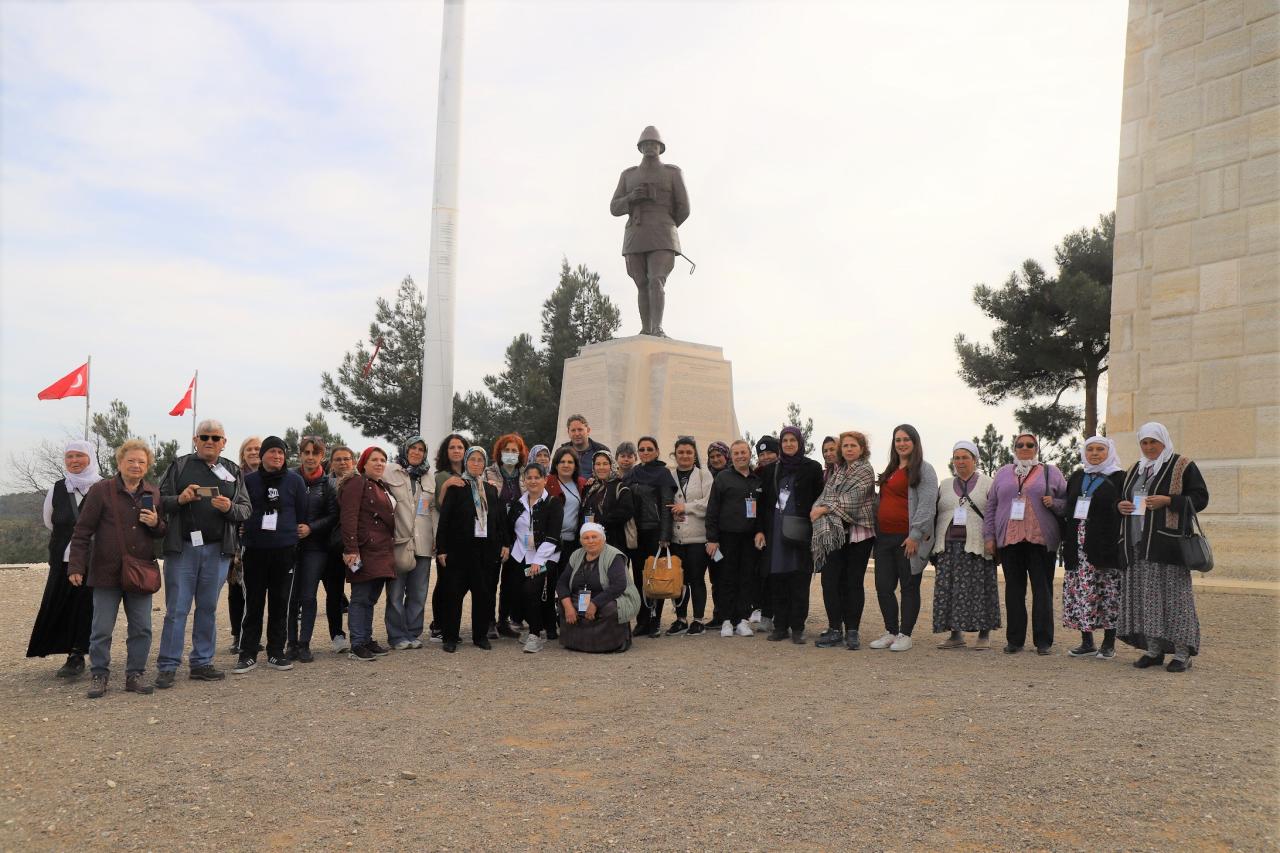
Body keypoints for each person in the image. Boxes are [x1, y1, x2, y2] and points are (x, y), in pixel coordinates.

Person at [156, 421, 251, 689]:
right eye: (205, 436)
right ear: (195, 439)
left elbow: (246, 509)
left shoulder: (233, 470)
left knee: (207, 609)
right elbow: (159, 500)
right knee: (177, 609)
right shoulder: (180, 466)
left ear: (224, 442)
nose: (210, 441)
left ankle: (201, 662)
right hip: (183, 549)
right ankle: (168, 666)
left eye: (215, 437)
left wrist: (230, 507)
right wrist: (180, 500)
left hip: (218, 551)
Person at [68, 439, 166, 699]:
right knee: (101, 628)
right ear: (119, 463)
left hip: (140, 572)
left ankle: (135, 674)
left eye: (141, 462)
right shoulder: (101, 490)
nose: (136, 465)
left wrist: (156, 522)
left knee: (142, 628)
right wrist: (76, 565)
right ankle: (99, 674)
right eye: (130, 460)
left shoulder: (152, 493)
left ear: (147, 466)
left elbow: (161, 532)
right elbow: (82, 530)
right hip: (106, 571)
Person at [1118, 422, 1209, 672]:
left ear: (1163, 442)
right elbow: (1124, 497)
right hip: (1138, 545)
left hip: (1167, 545)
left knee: (1175, 600)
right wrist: (1121, 506)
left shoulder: (1182, 465)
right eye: (1144, 443)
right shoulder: (1136, 469)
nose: (1149, 447)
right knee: (1147, 600)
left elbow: (1200, 498)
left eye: (1153, 442)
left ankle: (1182, 654)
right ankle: (1154, 650)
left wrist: (1169, 501)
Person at [981, 431, 1067, 656]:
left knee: (1042, 591)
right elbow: (991, 506)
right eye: (1020, 444)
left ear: (1036, 448)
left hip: (1040, 540)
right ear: (1014, 448)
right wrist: (989, 537)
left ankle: (1044, 641)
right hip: (1010, 540)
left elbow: (1068, 502)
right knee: (1014, 591)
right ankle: (1015, 640)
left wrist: (1055, 503)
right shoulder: (1002, 473)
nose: (1025, 448)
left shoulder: (1051, 472)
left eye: (1030, 444)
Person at [235, 435, 309, 675]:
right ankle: (247, 654)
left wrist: (294, 531)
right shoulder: (248, 481)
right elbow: (241, 510)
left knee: (280, 602)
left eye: (281, 453)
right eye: (272, 452)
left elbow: (302, 512)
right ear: (262, 455)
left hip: (284, 549)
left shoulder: (295, 481)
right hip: (254, 549)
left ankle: (276, 652)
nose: (277, 457)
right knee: (253, 602)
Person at [26, 440, 100, 678]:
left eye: (80, 455)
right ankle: (68, 652)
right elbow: (50, 521)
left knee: (87, 608)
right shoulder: (57, 489)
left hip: (94, 561)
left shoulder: (104, 487)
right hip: (63, 561)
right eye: (69, 456)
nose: (74, 461)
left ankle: (81, 652)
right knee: (62, 606)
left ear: (90, 458)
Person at [609, 125, 691, 336]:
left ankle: (657, 327)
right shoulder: (628, 176)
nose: (649, 147)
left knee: (656, 279)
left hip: (663, 235)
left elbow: (684, 208)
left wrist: (666, 224)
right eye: (645, 144)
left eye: (653, 144)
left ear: (660, 147)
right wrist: (631, 198)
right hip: (636, 234)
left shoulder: (672, 173)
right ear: (640, 147)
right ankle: (646, 329)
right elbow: (614, 207)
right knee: (641, 283)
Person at [870, 424, 939, 653]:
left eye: (906, 439)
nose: (901, 443)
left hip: (907, 538)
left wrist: (915, 535)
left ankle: (905, 634)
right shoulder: (890, 469)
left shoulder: (924, 469)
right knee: (883, 586)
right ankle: (890, 631)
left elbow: (927, 505)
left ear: (915, 442)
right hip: (884, 538)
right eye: (897, 440)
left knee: (909, 587)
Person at [1057, 436, 1126, 660]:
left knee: (1107, 593)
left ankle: (1108, 643)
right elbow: (1069, 505)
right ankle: (1086, 641)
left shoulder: (1119, 477)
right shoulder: (1078, 476)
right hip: (1077, 543)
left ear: (1110, 452)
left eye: (1100, 449)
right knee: (1081, 592)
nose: (1095, 453)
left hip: (1104, 543)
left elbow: (1122, 508)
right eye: (1090, 450)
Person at [931, 441, 1000, 651]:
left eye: (965, 457)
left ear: (975, 460)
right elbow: (935, 513)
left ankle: (984, 634)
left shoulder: (988, 483)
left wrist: (993, 539)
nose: (960, 462)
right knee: (950, 590)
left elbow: (994, 513)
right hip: (948, 545)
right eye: (957, 458)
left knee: (981, 589)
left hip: (977, 545)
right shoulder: (943, 484)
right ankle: (955, 635)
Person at [810, 431, 876, 650]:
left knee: (853, 582)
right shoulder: (838, 471)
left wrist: (823, 510)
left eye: (853, 445)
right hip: (835, 534)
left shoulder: (865, 470)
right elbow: (826, 494)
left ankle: (853, 630)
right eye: (845, 446)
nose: (848, 449)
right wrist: (816, 508)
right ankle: (834, 628)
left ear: (862, 448)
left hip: (859, 534)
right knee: (830, 581)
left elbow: (852, 500)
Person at [758, 426, 824, 644]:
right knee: (778, 581)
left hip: (801, 532)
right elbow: (763, 504)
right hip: (776, 532)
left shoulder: (812, 468)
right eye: (784, 440)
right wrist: (760, 530)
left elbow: (819, 498)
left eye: (792, 440)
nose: (788, 444)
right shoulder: (771, 471)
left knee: (799, 581)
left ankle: (798, 628)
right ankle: (780, 627)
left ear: (799, 443)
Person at [435, 447, 502, 652]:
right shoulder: (457, 486)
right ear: (466, 462)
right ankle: (450, 637)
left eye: (480, 460)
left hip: (484, 552)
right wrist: (442, 549)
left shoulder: (490, 489)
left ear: (484, 464)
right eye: (472, 459)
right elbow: (444, 519)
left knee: (483, 595)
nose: (476, 463)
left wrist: (503, 544)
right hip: (458, 550)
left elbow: (498, 521)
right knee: (453, 594)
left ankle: (480, 636)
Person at [339, 447, 397, 661]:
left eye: (383, 460)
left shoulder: (381, 486)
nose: (380, 463)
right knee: (361, 597)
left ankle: (367, 638)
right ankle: (357, 643)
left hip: (382, 549)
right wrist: (351, 548)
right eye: (375, 460)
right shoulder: (357, 483)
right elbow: (349, 516)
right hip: (364, 549)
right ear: (363, 463)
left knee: (371, 598)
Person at [286, 436, 338, 663]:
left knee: (308, 596)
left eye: (314, 453)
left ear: (322, 456)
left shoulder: (327, 485)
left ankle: (305, 643)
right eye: (306, 452)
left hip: (316, 547)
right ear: (300, 454)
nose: (309, 457)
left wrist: (311, 528)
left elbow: (333, 515)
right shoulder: (288, 478)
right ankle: (291, 643)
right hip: (288, 546)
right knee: (290, 597)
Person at [503, 463, 564, 653]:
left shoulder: (553, 504)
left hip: (545, 557)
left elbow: (553, 536)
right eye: (529, 477)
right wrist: (507, 548)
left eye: (537, 477)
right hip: (520, 555)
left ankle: (535, 634)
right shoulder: (518, 504)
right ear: (524, 480)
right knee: (515, 590)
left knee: (532, 589)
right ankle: (535, 626)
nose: (533, 481)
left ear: (545, 479)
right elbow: (509, 529)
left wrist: (538, 562)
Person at [704, 440, 763, 637]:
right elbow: (712, 509)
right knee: (726, 579)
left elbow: (761, 512)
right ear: (732, 456)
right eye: (736, 453)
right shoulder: (723, 478)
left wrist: (760, 531)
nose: (740, 456)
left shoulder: (756, 479)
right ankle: (727, 620)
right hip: (726, 538)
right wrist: (712, 538)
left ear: (749, 454)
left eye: (743, 452)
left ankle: (743, 620)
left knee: (747, 579)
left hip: (749, 539)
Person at [383, 435, 436, 650]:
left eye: (420, 449)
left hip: (423, 541)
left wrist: (437, 537)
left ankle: (413, 632)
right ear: (405, 450)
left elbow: (433, 510)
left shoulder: (429, 477)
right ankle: (396, 635)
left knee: (418, 592)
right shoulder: (390, 471)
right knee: (395, 592)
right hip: (399, 540)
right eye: (413, 448)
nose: (416, 452)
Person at [557, 523, 641, 653]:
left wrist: (595, 603)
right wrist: (568, 607)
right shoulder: (576, 555)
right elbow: (562, 582)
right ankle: (576, 642)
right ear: (581, 541)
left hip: (610, 597)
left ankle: (610, 644)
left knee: (610, 609)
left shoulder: (614, 556)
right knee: (563, 603)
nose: (590, 541)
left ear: (603, 538)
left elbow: (618, 586)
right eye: (586, 538)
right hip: (582, 597)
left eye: (594, 537)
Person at [626, 436, 675, 637]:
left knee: (656, 578)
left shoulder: (663, 474)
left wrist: (665, 535)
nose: (645, 452)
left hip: (655, 532)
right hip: (637, 533)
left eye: (649, 449)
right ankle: (642, 620)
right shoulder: (633, 473)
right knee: (639, 577)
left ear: (656, 452)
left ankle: (655, 621)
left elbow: (666, 507)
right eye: (642, 449)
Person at [667, 436, 715, 636]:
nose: (684, 455)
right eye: (681, 452)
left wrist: (685, 507)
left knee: (696, 579)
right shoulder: (669, 475)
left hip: (697, 538)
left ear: (694, 455)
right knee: (679, 580)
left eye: (688, 452)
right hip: (676, 538)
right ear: (675, 454)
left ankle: (697, 619)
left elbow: (708, 503)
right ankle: (680, 618)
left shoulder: (704, 475)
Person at [485, 432, 528, 638]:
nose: (510, 454)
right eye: (507, 450)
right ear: (499, 452)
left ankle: (503, 620)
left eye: (514, 450)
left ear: (520, 453)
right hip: (494, 533)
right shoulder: (488, 473)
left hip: (517, 534)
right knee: (490, 579)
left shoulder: (526, 475)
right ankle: (489, 622)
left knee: (511, 581)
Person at [428, 433, 469, 643]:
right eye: (452, 447)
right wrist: (446, 485)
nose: (456, 450)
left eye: (460, 447)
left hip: (466, 537)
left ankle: (449, 622)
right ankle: (438, 624)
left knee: (459, 584)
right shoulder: (440, 476)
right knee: (444, 582)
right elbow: (440, 506)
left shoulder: (471, 474)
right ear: (446, 451)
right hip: (448, 536)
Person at [548, 446, 587, 638]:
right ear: (555, 464)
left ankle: (567, 618)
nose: (566, 465)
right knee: (550, 582)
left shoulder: (581, 483)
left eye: (570, 462)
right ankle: (548, 623)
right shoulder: (548, 482)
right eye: (562, 461)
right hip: (552, 541)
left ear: (575, 465)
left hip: (574, 541)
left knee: (571, 581)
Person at [226, 436, 260, 653]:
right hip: (236, 541)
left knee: (255, 591)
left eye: (258, 448)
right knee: (236, 590)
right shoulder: (233, 477)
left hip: (261, 540)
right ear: (243, 453)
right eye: (249, 449)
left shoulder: (271, 478)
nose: (254, 452)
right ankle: (238, 636)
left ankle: (252, 635)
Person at [323, 446, 356, 653]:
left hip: (356, 547)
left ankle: (360, 633)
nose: (343, 463)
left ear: (353, 461)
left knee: (360, 593)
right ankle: (337, 634)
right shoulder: (325, 485)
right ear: (331, 463)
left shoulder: (362, 483)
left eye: (346, 459)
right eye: (338, 459)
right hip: (332, 547)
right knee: (334, 594)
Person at [749, 435, 780, 629]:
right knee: (760, 573)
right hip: (758, 529)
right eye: (761, 454)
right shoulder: (755, 475)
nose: (765, 457)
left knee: (775, 573)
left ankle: (775, 613)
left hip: (776, 529)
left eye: (769, 452)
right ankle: (762, 610)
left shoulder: (782, 472)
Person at [581, 450, 634, 551]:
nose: (601, 467)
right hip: (590, 542)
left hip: (614, 544)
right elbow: (584, 511)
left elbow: (626, 512)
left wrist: (599, 524)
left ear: (611, 466)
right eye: (598, 464)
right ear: (593, 466)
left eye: (605, 463)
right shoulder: (590, 488)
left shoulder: (620, 487)